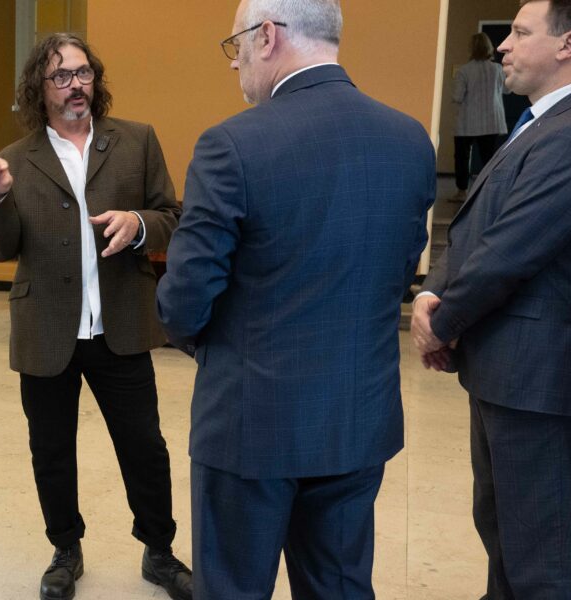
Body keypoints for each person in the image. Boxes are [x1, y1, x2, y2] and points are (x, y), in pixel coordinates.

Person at [155, 0, 436, 596]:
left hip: (249, 422)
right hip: (357, 416)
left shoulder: (231, 144)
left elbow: (183, 298)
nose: (234, 64)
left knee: (233, 588)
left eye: (235, 46)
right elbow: (400, 269)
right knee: (338, 587)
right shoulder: (410, 139)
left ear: (267, 36)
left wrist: (218, 350)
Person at [410, 1, 571, 596]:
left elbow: (510, 250)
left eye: (519, 31)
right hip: (512, 373)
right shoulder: (542, 122)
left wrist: (440, 322)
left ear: (568, 44)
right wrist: (434, 292)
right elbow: (478, 224)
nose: (503, 44)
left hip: (545, 382)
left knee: (545, 559)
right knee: (506, 534)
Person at [0, 32, 190, 600]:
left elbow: (171, 215)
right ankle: (65, 550)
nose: (76, 85)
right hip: (47, 329)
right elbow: (0, 248)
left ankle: (160, 551)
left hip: (121, 324)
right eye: (61, 76)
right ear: (39, 89)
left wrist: (139, 225)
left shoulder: (137, 141)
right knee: (51, 450)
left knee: (144, 446)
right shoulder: (15, 160)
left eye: (84, 72)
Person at [453, 32, 509, 194]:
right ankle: (488, 191)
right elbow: (507, 90)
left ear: (471, 48)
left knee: (462, 158)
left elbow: (457, 96)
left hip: (467, 122)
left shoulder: (464, 71)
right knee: (489, 158)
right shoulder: (498, 69)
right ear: (489, 48)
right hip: (492, 121)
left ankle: (461, 191)